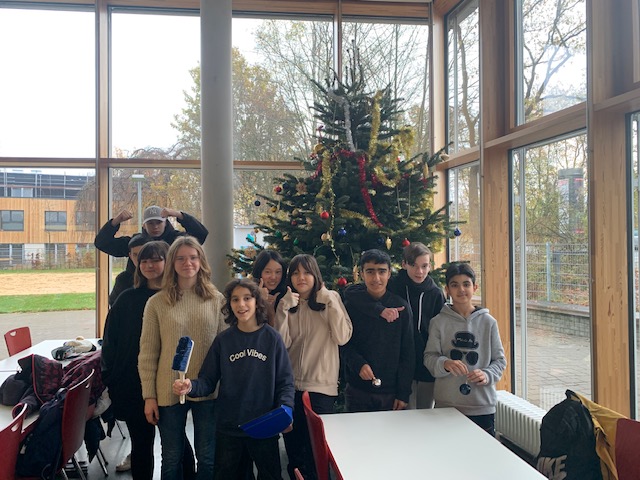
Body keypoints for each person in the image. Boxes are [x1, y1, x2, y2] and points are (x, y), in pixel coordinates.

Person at [173, 278, 294, 480]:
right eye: (235, 299)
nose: (241, 304)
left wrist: (286, 409)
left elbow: (285, 382)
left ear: (257, 302)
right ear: (229, 304)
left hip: (264, 425)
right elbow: (207, 381)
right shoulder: (224, 340)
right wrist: (190, 386)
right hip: (229, 428)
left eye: (247, 298)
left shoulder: (272, 339)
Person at [138, 236, 226, 480]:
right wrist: (149, 396)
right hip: (168, 388)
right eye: (181, 258)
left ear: (201, 261)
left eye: (193, 257)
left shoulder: (216, 300)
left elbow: (224, 350)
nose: (188, 263)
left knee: (207, 457)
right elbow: (148, 353)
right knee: (171, 457)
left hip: (208, 389)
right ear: (172, 263)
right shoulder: (156, 303)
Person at [275, 254, 352, 480]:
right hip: (291, 388)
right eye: (296, 273)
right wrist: (283, 309)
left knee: (316, 452)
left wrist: (330, 301)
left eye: (307, 272)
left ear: (315, 275)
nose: (301, 277)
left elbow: (342, 337)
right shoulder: (287, 303)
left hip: (321, 388)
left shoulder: (330, 298)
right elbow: (281, 344)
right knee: (293, 448)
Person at [341, 242, 445, 409]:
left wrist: (402, 393)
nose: (419, 271)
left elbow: (410, 349)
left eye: (424, 266)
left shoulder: (434, 294)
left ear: (388, 273)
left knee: (422, 416)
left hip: (421, 368)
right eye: (414, 265)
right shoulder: (392, 285)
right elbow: (351, 292)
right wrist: (379, 310)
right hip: (363, 384)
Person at [102, 241, 169, 479]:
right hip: (132, 384)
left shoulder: (175, 298)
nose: (149, 265)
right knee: (141, 444)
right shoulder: (126, 298)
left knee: (176, 446)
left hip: (167, 383)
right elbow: (110, 341)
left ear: (167, 261)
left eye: (156, 259)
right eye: (144, 260)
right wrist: (110, 377)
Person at [423, 262, 507, 436]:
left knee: (481, 452)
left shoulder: (489, 322)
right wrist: (445, 363)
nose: (461, 289)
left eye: (466, 284)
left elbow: (499, 361)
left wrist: (487, 374)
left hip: (482, 406)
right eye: (455, 285)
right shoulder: (438, 322)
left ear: (474, 287)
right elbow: (429, 357)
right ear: (447, 290)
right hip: (446, 406)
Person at [341, 249, 415, 413]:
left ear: (389, 274)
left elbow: (408, 353)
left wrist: (403, 393)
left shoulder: (402, 308)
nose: (376, 278)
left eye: (382, 271)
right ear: (362, 274)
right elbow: (344, 344)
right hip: (357, 389)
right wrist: (358, 364)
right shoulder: (351, 306)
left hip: (391, 392)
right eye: (370, 272)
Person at [95, 205, 209, 308]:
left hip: (170, 293)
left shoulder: (176, 241)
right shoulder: (135, 243)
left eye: (158, 222)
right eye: (151, 223)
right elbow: (101, 243)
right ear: (144, 225)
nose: (155, 227)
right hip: (138, 295)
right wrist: (116, 221)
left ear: (165, 222)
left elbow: (201, 234)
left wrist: (179, 215)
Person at [108, 233, 149, 307]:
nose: (139, 259)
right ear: (130, 255)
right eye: (135, 255)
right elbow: (114, 305)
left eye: (143, 254)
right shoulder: (123, 279)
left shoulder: (163, 277)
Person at [252, 249, 288, 326]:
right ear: (259, 272)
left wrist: (271, 308)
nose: (273, 277)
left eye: (278, 272)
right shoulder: (249, 294)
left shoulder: (287, 295)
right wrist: (259, 300)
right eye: (268, 272)